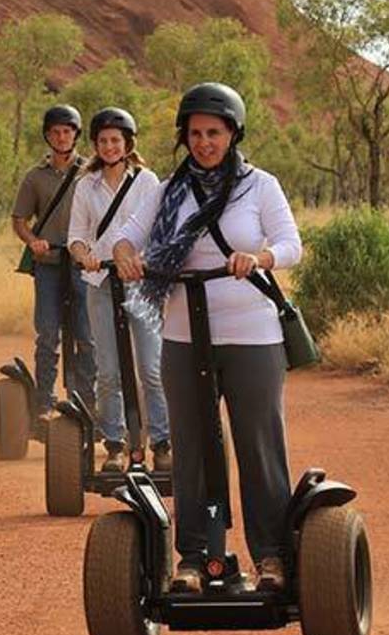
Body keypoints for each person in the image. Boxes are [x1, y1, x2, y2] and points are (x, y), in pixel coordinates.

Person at [112, 82, 302, 595]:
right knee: (194, 448)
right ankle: (198, 556)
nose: (204, 142)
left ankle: (271, 556)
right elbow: (127, 231)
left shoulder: (259, 186)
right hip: (183, 335)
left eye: (214, 133)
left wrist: (258, 258)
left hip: (251, 335)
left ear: (233, 133)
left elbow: (290, 244)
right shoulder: (166, 187)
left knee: (258, 445)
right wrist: (128, 250)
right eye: (195, 133)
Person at [68, 107, 172, 473]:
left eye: (116, 140)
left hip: (140, 285)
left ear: (128, 143)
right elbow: (76, 237)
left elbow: (160, 231)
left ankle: (162, 443)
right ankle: (114, 445)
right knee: (108, 371)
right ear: (95, 145)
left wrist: (144, 260)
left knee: (152, 367)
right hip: (99, 283)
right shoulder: (85, 185)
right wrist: (85, 258)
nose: (110, 146)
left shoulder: (147, 181)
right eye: (103, 141)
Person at [12, 105, 96, 422]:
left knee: (87, 337)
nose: (62, 137)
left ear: (76, 134)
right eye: (56, 132)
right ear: (48, 136)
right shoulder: (35, 177)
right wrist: (32, 240)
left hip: (83, 265)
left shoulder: (92, 173)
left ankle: (87, 404)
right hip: (48, 263)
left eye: (67, 131)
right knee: (48, 334)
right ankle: (44, 406)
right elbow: (20, 220)